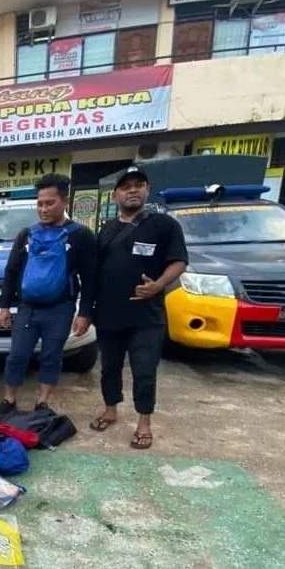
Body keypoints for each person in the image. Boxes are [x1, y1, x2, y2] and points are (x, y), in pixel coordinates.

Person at [90, 166, 188, 449]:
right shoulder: (107, 230)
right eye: (125, 187)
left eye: (138, 185)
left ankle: (144, 423)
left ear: (147, 190)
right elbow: (95, 270)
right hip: (109, 315)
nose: (132, 190)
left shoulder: (164, 225)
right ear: (115, 195)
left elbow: (179, 261)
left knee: (144, 371)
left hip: (146, 317)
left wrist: (158, 285)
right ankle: (110, 410)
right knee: (109, 368)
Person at [0, 174, 97, 416]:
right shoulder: (26, 234)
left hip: (60, 308)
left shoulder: (80, 235)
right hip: (28, 308)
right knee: (17, 355)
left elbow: (90, 278)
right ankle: (9, 399)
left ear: (65, 202)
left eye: (50, 203)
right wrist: (4, 306)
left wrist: (85, 313)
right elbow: (11, 271)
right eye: (39, 204)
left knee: (51, 356)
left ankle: (42, 403)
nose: (43, 209)